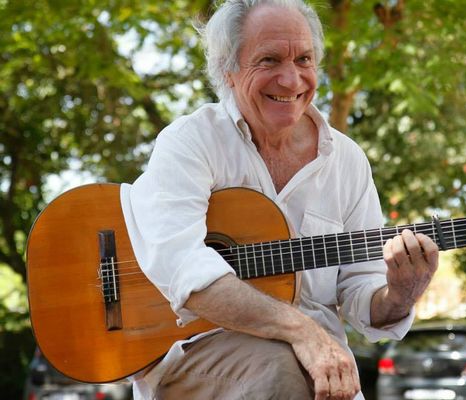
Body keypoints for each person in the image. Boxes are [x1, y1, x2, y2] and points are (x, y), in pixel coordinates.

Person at [120, 0, 439, 398]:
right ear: (228, 70)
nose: (291, 80)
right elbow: (184, 268)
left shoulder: (347, 160)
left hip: (317, 361)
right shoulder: (190, 142)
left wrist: (401, 292)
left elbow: (362, 294)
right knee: (284, 370)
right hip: (196, 351)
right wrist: (302, 330)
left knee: (299, 373)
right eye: (269, 60)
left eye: (303, 59)